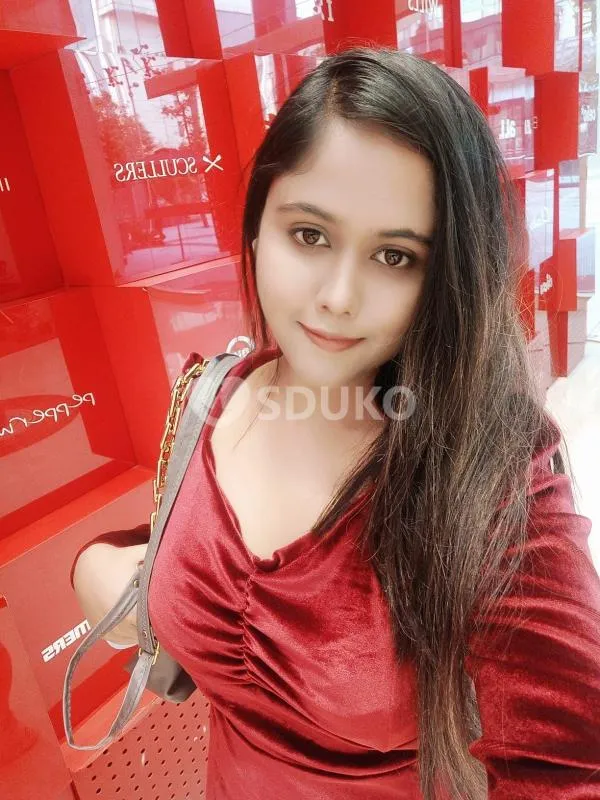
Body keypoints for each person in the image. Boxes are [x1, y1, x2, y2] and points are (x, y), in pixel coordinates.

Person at [71, 46, 600, 800]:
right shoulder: (214, 394)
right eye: (310, 235)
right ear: (257, 229)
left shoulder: (494, 473)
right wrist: (97, 566)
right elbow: (164, 544)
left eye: (395, 256)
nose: (338, 296)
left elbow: (570, 767)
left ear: (448, 277)